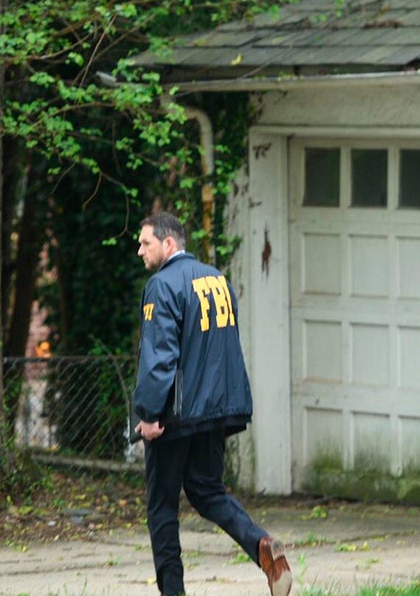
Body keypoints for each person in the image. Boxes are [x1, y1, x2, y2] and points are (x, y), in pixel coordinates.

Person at [132, 211, 292, 596]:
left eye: (145, 243)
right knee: (207, 492)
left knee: (162, 507)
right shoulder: (217, 280)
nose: (139, 251)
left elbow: (161, 356)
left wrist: (150, 415)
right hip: (214, 410)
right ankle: (261, 545)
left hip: (176, 415)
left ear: (168, 244)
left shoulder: (162, 285)